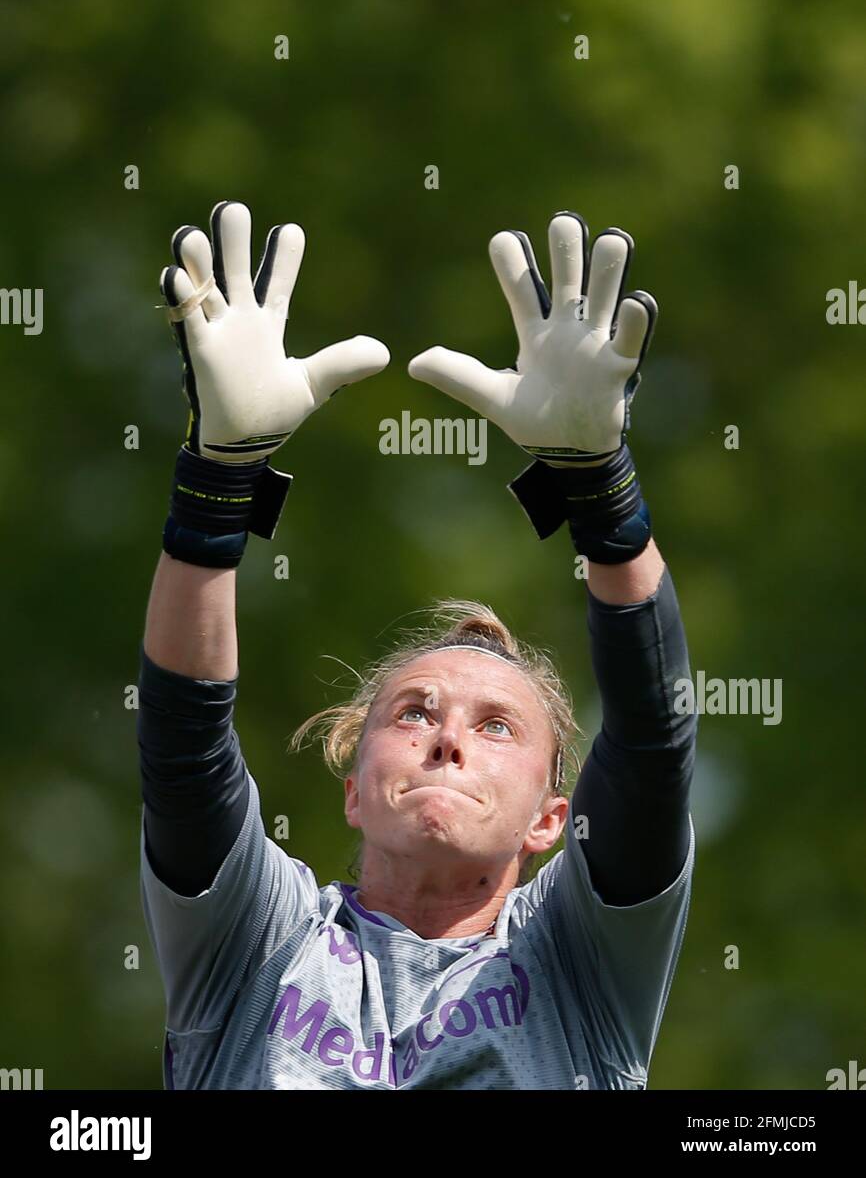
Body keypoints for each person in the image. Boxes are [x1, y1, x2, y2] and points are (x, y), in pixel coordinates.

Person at [138, 200, 697, 1090]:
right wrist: (217, 478)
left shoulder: (579, 958)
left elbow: (652, 741)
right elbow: (183, 746)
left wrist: (601, 492)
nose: (448, 737)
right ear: (355, 789)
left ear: (553, 822)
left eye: (499, 727)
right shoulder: (263, 941)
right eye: (413, 712)